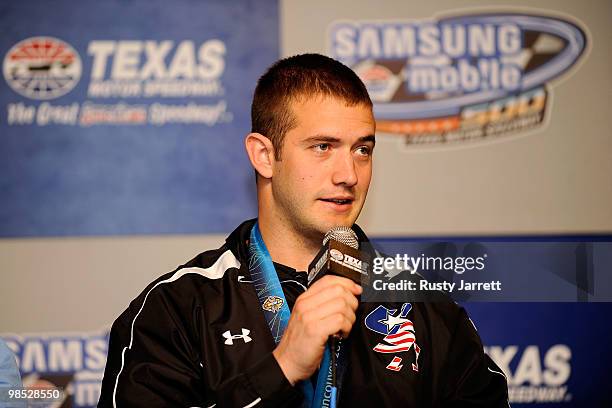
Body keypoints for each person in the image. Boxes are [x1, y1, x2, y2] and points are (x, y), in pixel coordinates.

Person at [98, 53, 509, 407]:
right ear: (264, 155)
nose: (349, 174)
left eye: (362, 150)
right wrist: (283, 368)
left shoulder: (425, 306)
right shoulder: (175, 310)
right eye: (322, 147)